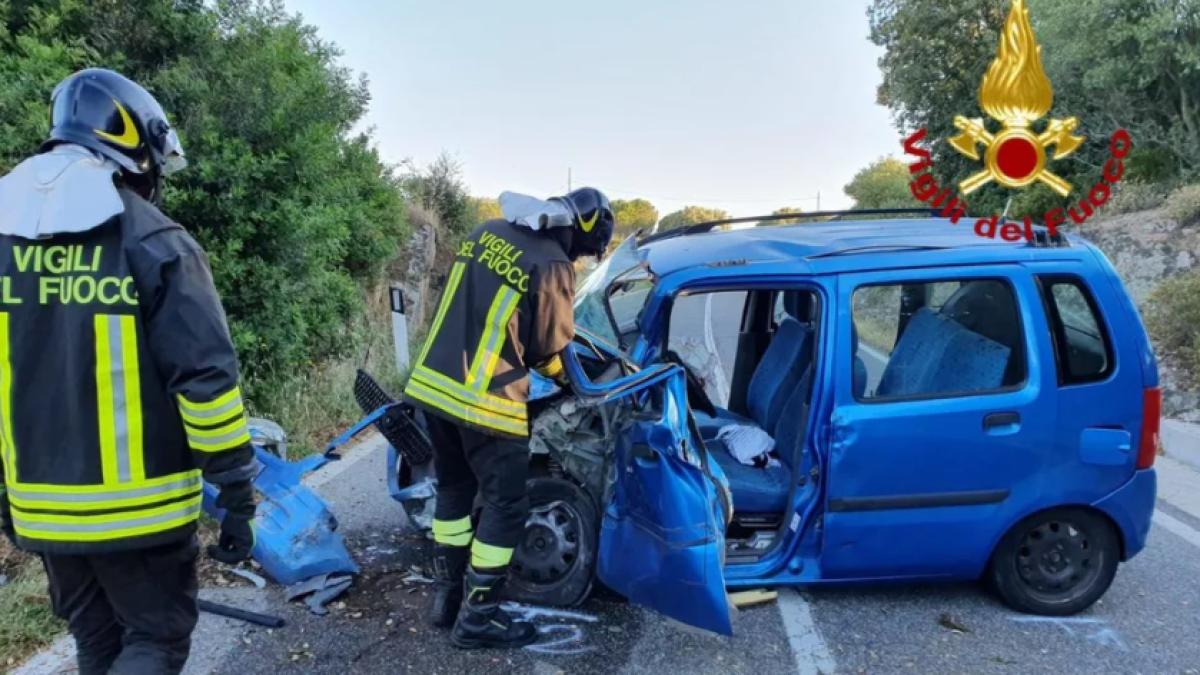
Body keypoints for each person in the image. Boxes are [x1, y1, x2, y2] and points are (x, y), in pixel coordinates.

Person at [0, 68, 258, 674]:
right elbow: (205, 379)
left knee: (98, 643)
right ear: (136, 143)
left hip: (41, 507)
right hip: (141, 513)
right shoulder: (154, 239)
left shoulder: (6, 235)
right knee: (155, 641)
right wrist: (236, 489)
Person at [404, 187, 615, 649]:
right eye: (586, 251)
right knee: (506, 507)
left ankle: (447, 599)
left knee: (454, 491)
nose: (580, 259)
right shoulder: (552, 263)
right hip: (486, 403)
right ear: (584, 232)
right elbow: (545, 350)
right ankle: (479, 619)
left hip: (432, 388)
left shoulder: (486, 232)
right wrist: (573, 380)